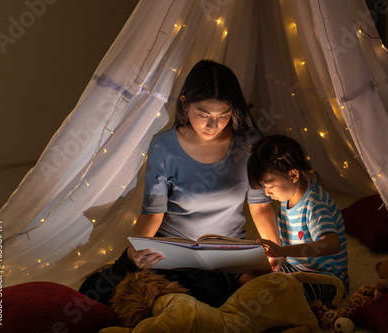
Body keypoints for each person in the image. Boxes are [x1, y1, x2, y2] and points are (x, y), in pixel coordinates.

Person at [79, 59, 282, 307]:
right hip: (170, 247)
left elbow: (260, 206)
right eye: (203, 115)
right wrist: (137, 250)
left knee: (234, 296)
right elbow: (153, 212)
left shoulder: (248, 143)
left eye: (223, 115)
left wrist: (276, 250)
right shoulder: (164, 146)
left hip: (224, 255)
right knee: (93, 292)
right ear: (185, 104)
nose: (213, 125)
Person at [247, 134, 348, 303]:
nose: (267, 193)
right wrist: (277, 258)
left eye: (270, 186)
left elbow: (332, 244)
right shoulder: (287, 199)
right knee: (255, 278)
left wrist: (282, 251)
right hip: (297, 270)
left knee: (286, 296)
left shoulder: (314, 204)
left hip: (328, 279)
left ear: (293, 175)